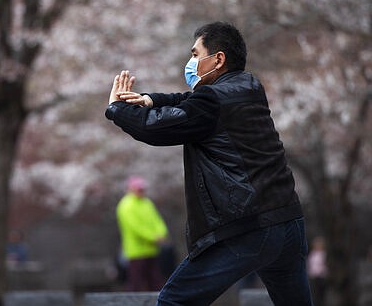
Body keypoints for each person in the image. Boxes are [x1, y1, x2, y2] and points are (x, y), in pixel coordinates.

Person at [105, 21, 313, 305]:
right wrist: (149, 99)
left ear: (218, 59)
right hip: (288, 221)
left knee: (174, 300)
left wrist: (117, 109)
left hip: (247, 227)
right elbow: (190, 103)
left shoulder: (211, 101)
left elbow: (155, 128)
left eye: (194, 54)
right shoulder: (249, 87)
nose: (190, 63)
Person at [116, 175, 169, 291]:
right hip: (136, 252)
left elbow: (157, 220)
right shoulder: (126, 205)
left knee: (155, 282)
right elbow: (135, 227)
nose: (142, 191)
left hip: (151, 250)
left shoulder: (147, 203)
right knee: (136, 283)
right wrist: (153, 237)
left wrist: (162, 233)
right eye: (139, 189)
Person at [307, 236, 328, 306]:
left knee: (321, 294)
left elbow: (325, 265)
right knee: (314, 293)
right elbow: (310, 264)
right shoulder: (312, 254)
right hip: (313, 277)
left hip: (321, 276)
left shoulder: (324, 254)